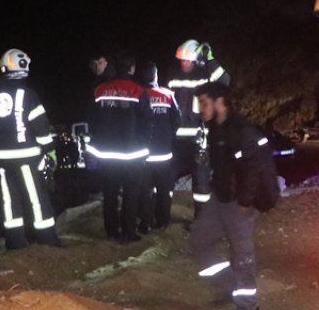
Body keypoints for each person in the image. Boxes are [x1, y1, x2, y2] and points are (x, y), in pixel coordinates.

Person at [190, 82, 271, 310]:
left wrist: (245, 201)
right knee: (199, 243)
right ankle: (229, 286)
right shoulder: (215, 129)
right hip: (220, 199)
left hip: (239, 204)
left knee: (242, 258)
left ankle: (247, 308)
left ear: (219, 102)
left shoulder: (241, 130)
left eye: (204, 103)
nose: (200, 109)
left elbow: (255, 167)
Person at [0, 48, 61, 249]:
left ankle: (15, 241)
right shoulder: (28, 94)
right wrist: (50, 151)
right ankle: (47, 239)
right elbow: (40, 127)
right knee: (37, 198)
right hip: (28, 157)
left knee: (9, 202)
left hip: (2, 160)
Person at [87, 52, 152, 242]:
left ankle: (111, 231)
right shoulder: (139, 91)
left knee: (110, 193)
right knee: (131, 194)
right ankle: (128, 233)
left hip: (107, 154)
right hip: (132, 154)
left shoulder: (99, 90)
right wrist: (143, 145)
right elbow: (147, 122)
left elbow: (91, 119)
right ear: (131, 68)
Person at [167, 39, 230, 219]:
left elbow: (225, 81)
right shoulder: (173, 76)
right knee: (165, 179)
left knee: (201, 184)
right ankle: (161, 216)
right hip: (176, 141)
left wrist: (210, 60)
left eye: (188, 60)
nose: (184, 63)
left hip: (199, 141)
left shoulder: (205, 75)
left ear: (196, 60)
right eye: (182, 60)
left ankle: (201, 221)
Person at [138, 61, 180, 231]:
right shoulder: (168, 95)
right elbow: (177, 121)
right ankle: (162, 221)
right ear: (156, 75)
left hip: (144, 155)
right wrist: (168, 136)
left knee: (145, 191)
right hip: (164, 154)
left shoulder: (138, 94)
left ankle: (145, 222)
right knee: (164, 190)